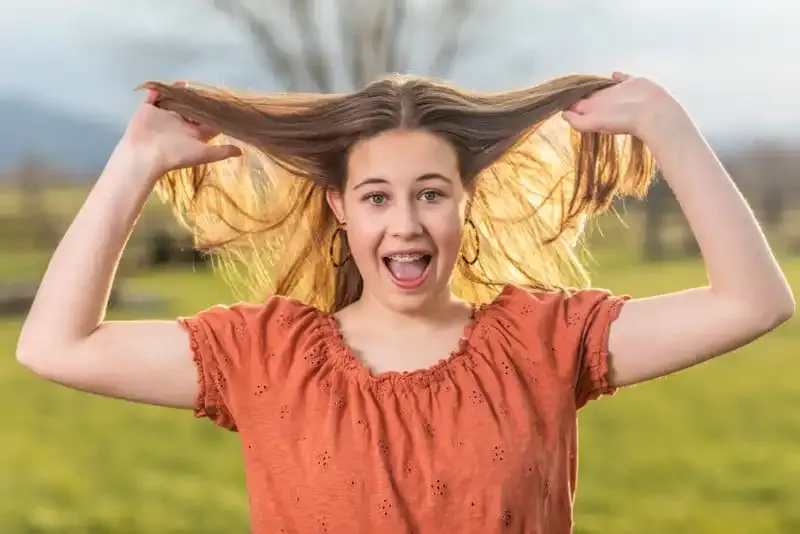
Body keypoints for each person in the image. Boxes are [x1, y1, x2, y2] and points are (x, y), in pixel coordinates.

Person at [16, 72, 793, 533]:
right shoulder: (263, 356)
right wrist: (135, 163)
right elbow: (55, 346)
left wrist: (668, 126)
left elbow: (753, 302)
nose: (407, 224)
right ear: (341, 207)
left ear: (464, 204)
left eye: (430, 194)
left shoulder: (546, 342)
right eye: (378, 197)